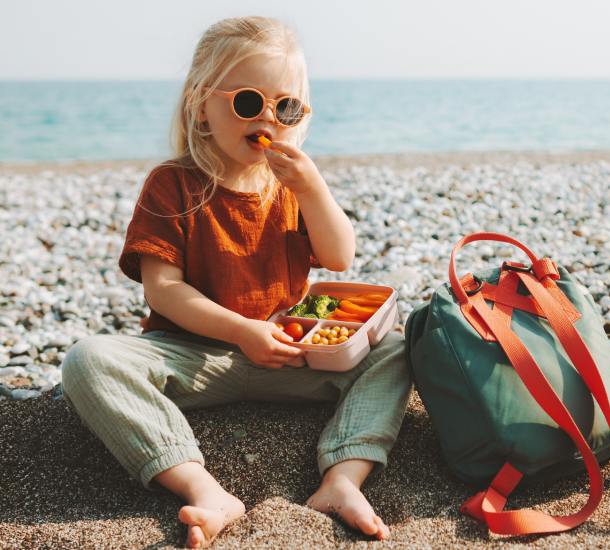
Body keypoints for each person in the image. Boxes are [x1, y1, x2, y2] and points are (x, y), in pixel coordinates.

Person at [60, 16, 410, 547]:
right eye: (248, 102)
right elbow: (163, 290)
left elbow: (340, 257)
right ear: (202, 104)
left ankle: (343, 478)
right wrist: (241, 330)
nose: (268, 118)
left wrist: (313, 188)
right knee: (89, 359)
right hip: (192, 357)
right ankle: (202, 489)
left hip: (290, 353)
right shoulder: (174, 183)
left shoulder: (291, 185)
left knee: (396, 349)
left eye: (285, 107)